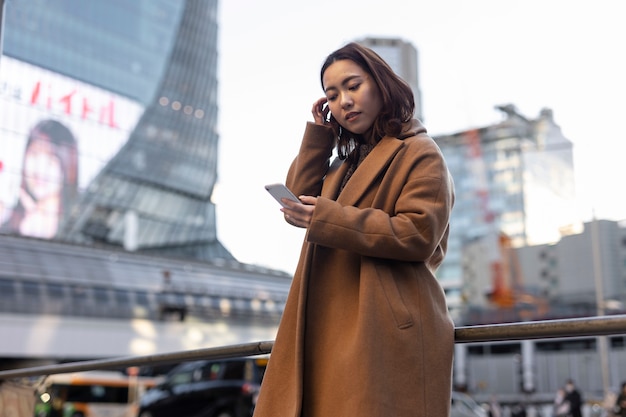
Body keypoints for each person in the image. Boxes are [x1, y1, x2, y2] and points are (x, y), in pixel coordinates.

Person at [253, 42, 455, 416]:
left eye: (353, 85)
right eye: (332, 95)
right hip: (328, 322)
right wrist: (319, 135)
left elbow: (418, 234)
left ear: (380, 85)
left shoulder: (419, 151)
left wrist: (328, 219)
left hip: (382, 324)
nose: (343, 101)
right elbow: (297, 200)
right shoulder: (344, 163)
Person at [1, 119, 78, 238]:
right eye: (34, 154)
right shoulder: (7, 217)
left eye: (51, 160)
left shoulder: (76, 228)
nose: (40, 170)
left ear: (67, 167)